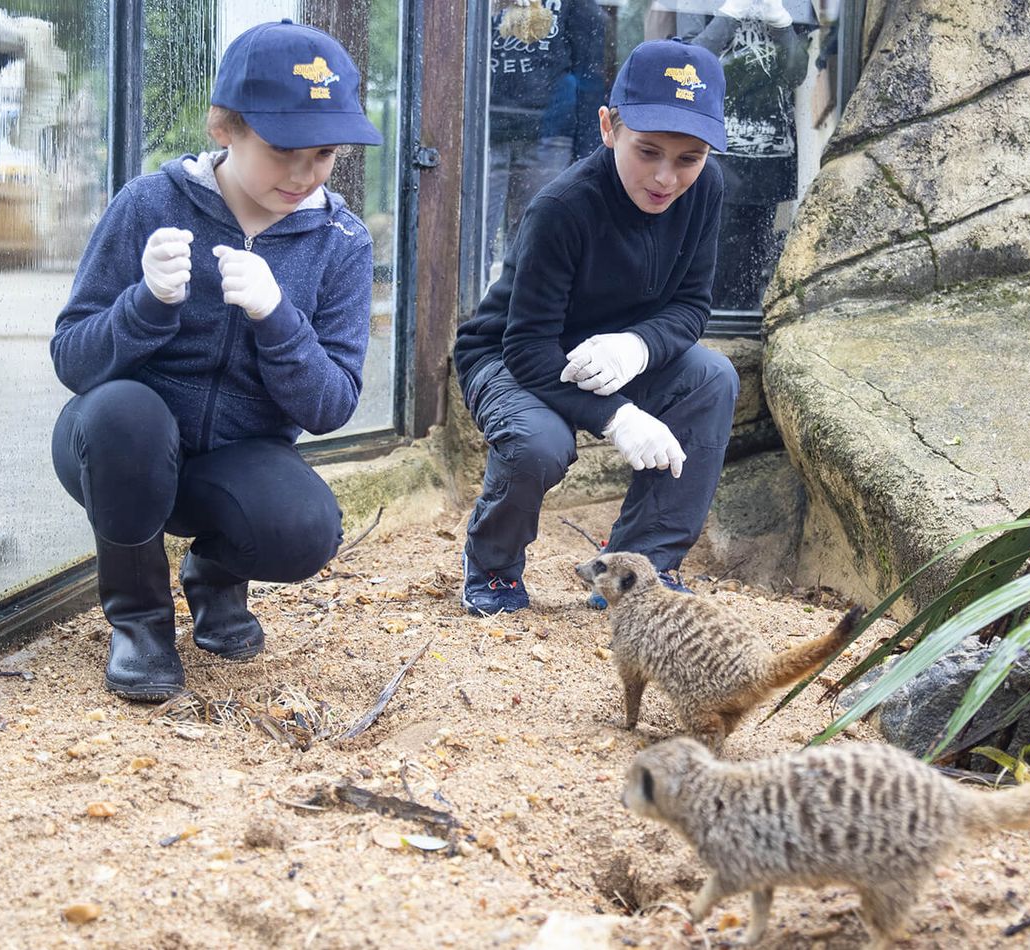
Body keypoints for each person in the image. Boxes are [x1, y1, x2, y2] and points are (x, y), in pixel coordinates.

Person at [48, 20, 383, 700]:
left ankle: (213, 576)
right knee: (124, 414)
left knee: (307, 528)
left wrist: (278, 318)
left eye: (323, 154)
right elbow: (73, 359)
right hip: (120, 449)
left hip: (235, 462)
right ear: (224, 127)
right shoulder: (149, 203)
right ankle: (139, 623)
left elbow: (331, 405)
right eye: (284, 148)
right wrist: (145, 304)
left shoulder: (341, 241)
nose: (303, 174)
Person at [451, 37, 737, 615]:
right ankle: (494, 566)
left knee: (713, 378)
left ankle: (641, 569)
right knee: (539, 444)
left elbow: (691, 305)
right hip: (515, 360)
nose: (666, 177)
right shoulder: (563, 208)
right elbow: (526, 345)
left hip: (616, 355)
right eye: (648, 151)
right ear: (609, 127)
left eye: (689, 158)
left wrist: (638, 345)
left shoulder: (705, 190)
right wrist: (619, 416)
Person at [680, 0, 812, 311]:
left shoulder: (793, 3)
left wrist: (780, 21)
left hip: (770, 156)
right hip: (712, 155)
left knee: (753, 260)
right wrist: (730, 13)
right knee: (712, 260)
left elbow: (795, 74)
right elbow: (690, 64)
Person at [485, 0, 607, 272]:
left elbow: (588, 73)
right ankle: (477, 312)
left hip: (549, 133)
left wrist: (588, 154)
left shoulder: (575, 6)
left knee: (535, 237)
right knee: (472, 232)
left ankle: (521, 310)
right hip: (484, 132)